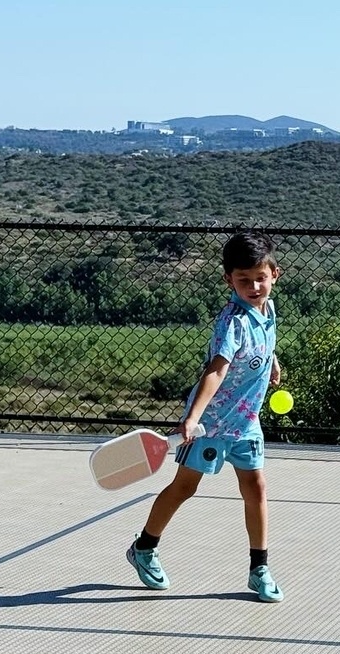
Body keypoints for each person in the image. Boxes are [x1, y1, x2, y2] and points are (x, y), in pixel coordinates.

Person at [125, 230, 284, 602]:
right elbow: (215, 371)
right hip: (209, 424)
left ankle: (259, 567)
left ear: (275, 274)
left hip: (246, 422)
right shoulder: (232, 323)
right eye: (243, 280)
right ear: (228, 280)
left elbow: (264, 342)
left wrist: (271, 361)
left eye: (260, 278)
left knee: (255, 488)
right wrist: (192, 418)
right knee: (184, 488)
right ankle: (144, 548)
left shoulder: (268, 310)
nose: (254, 286)